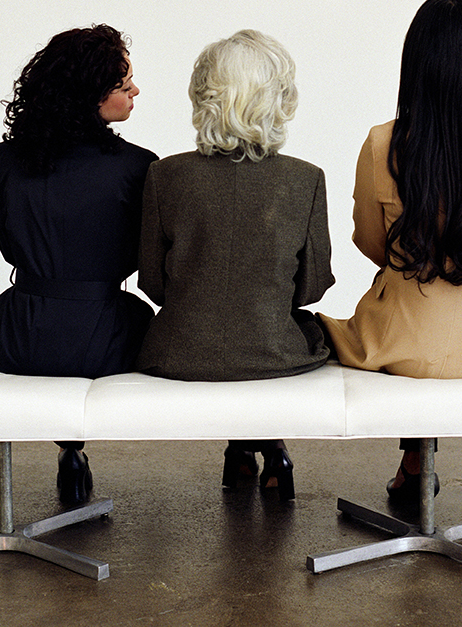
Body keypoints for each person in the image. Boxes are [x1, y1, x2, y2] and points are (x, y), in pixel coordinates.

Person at [319, 0, 462, 504]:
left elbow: (369, 241)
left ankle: (414, 462)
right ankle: (415, 463)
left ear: (415, 69)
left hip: (401, 345)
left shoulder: (384, 143)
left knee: (352, 321)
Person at [136, 30, 335, 500]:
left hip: (180, 352)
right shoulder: (305, 179)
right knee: (304, 326)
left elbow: (152, 282)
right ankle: (267, 450)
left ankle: (242, 451)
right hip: (274, 351)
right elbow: (311, 287)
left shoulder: (165, 175)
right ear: (279, 100)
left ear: (203, 96)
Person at [0, 25, 157, 506]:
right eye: (124, 83)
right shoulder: (139, 166)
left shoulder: (7, 159)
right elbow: (148, 256)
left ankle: (70, 452)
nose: (136, 90)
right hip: (106, 334)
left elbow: (6, 240)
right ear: (91, 96)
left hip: (21, 333)